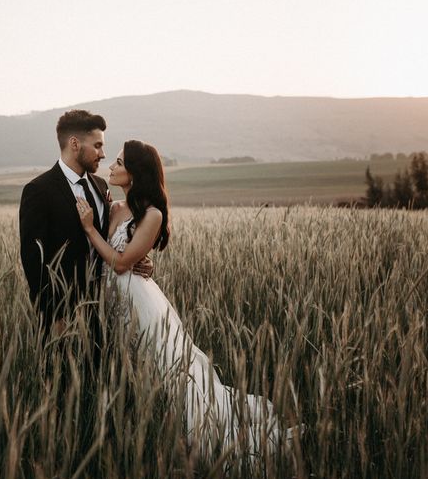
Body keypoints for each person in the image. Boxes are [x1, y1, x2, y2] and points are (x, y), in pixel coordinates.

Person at [75, 139, 296, 456]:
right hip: (112, 301)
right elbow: (116, 256)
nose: (111, 166)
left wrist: (89, 230)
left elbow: (122, 262)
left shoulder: (152, 215)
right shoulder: (113, 207)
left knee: (162, 373)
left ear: (136, 171)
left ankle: (190, 443)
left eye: (120, 163)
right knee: (129, 371)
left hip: (139, 303)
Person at [18, 110, 151, 343]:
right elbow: (33, 262)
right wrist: (53, 317)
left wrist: (136, 261)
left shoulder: (101, 186)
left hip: (104, 310)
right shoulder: (38, 191)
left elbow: (112, 240)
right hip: (64, 314)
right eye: (97, 146)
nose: (103, 154)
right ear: (74, 143)